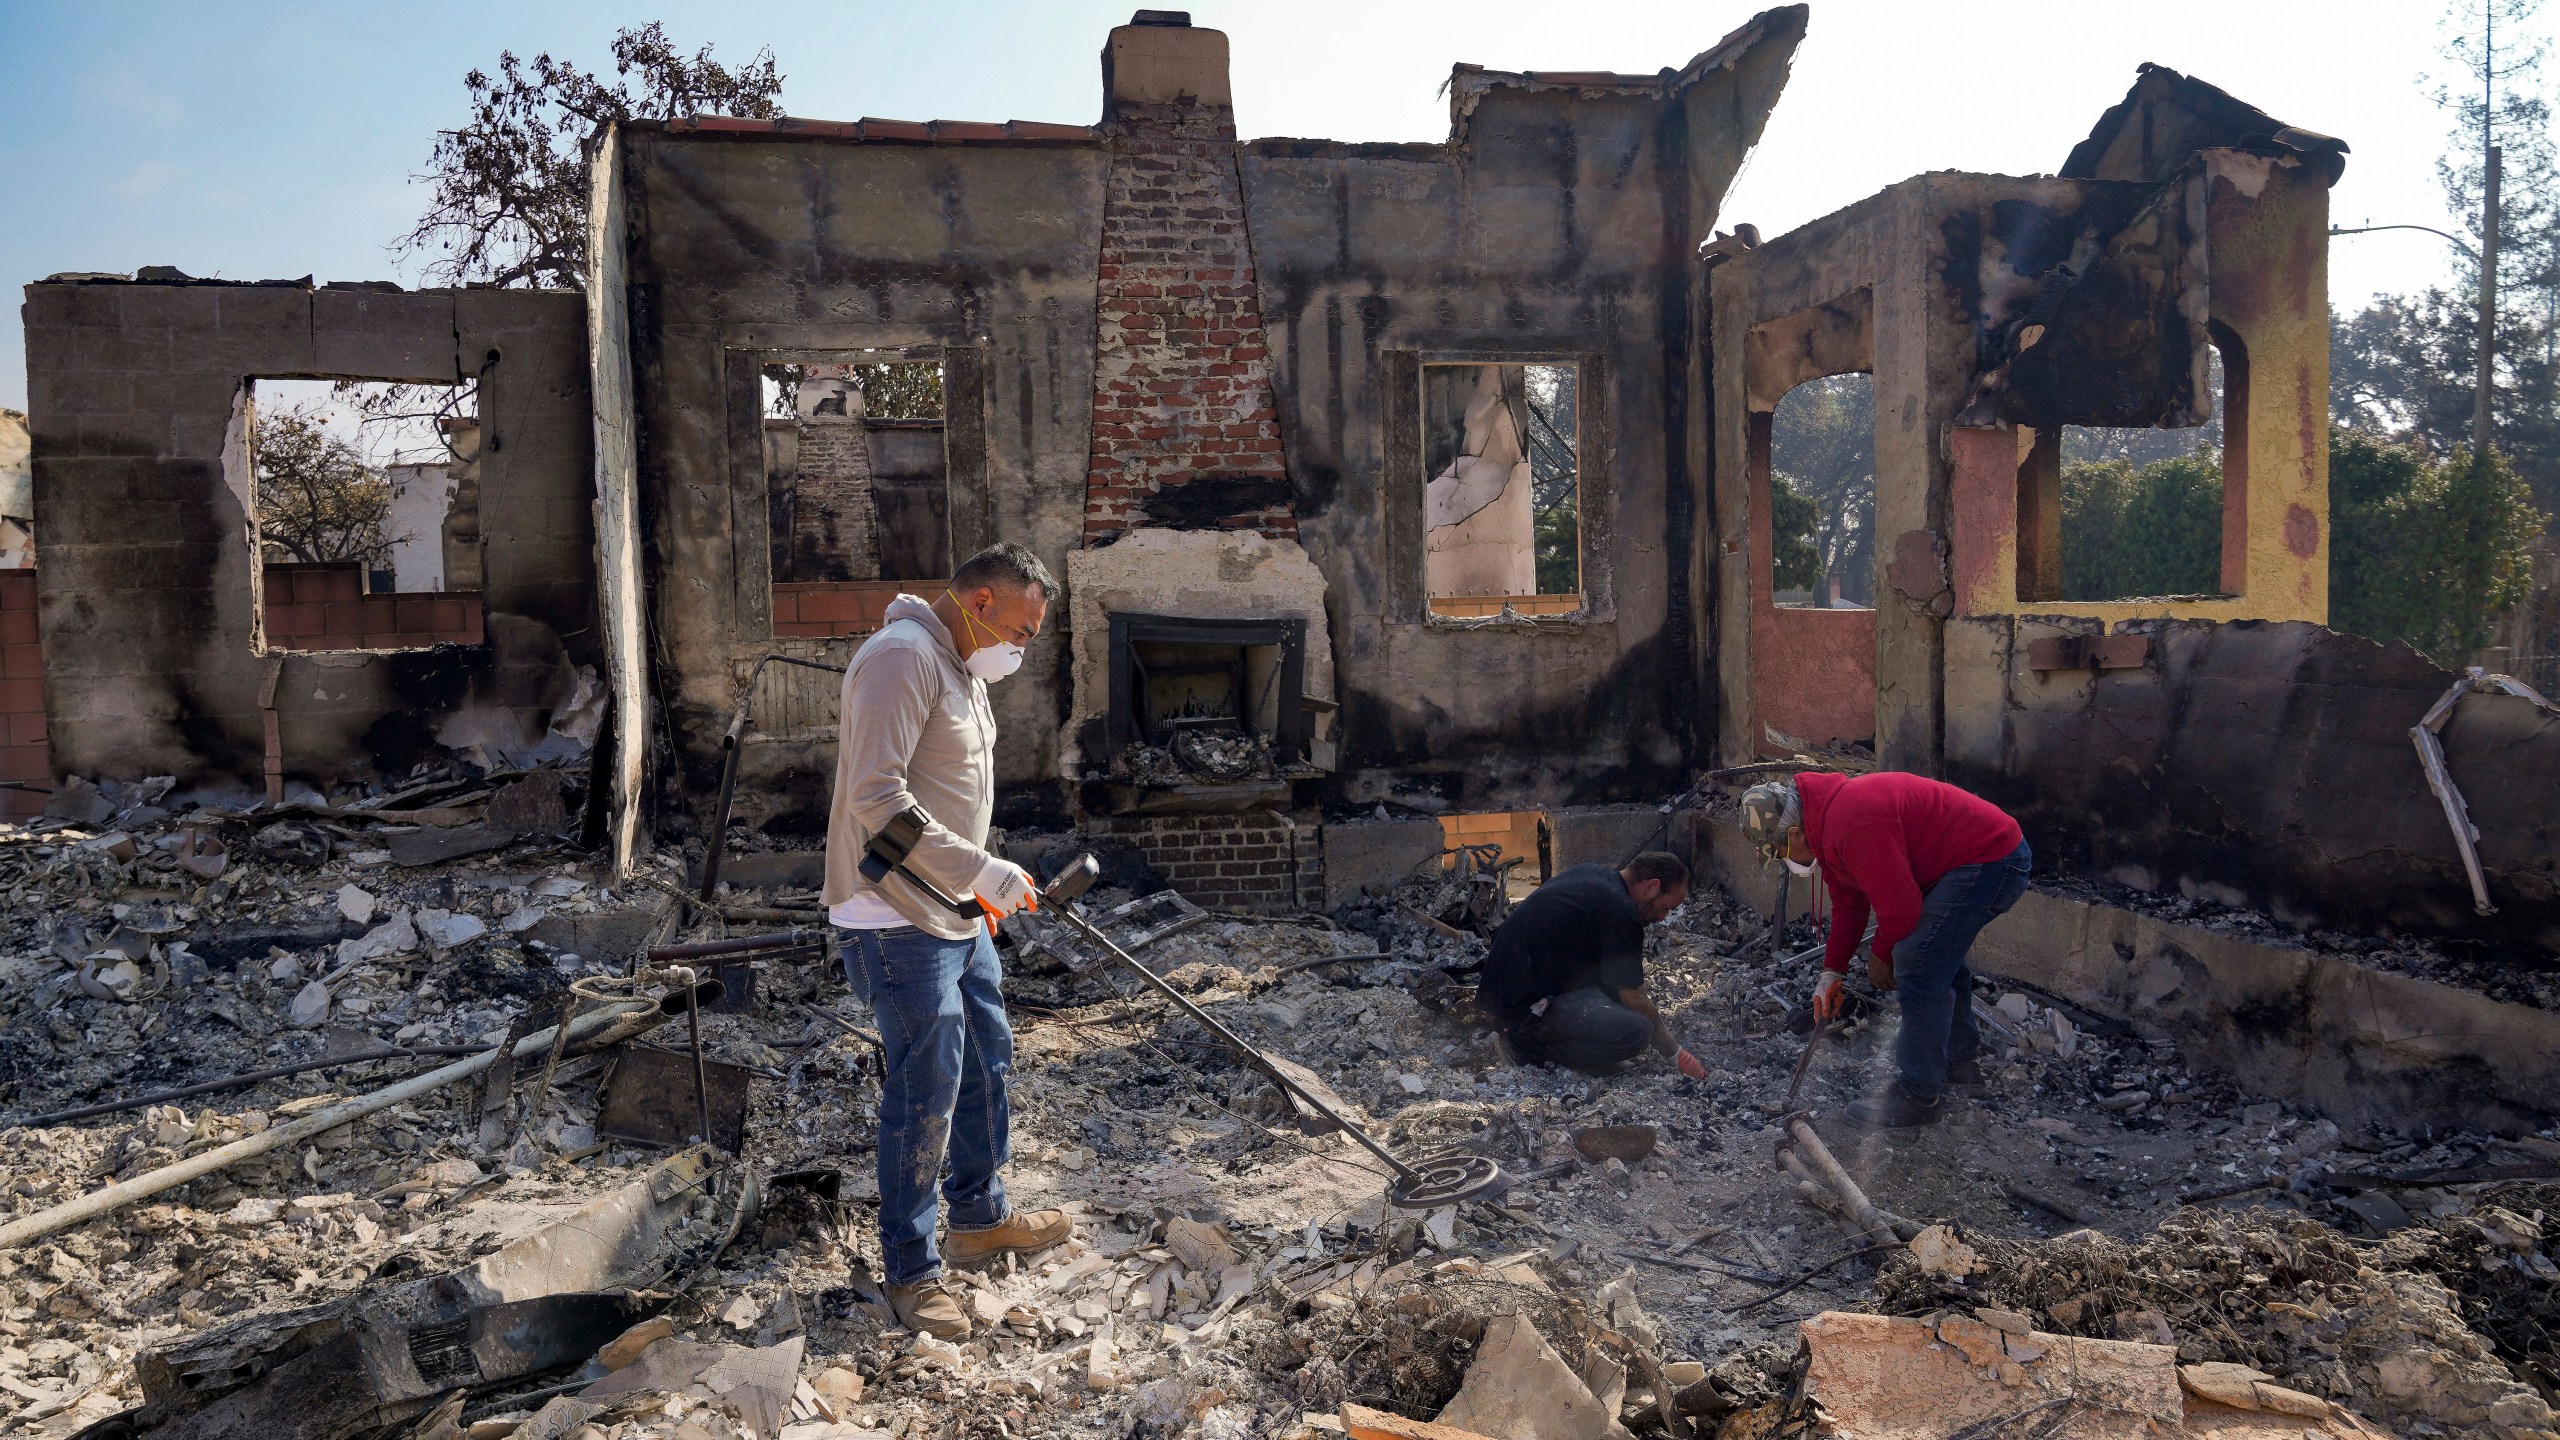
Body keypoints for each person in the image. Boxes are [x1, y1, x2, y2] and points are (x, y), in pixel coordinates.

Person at [824, 542, 1074, 1339]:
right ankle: (910, 1269)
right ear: (981, 602)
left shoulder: (958, 664)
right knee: (924, 1089)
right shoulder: (901, 658)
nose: (1022, 647)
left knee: (986, 1059)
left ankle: (976, 1219)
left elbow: (946, 789)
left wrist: (978, 883)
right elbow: (875, 796)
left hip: (950, 909)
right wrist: (978, 867)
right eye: (1023, 629)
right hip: (894, 917)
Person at [1740, 771, 2030, 1129]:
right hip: (1975, 859)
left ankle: (1918, 1094)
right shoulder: (1825, 823)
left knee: (1916, 957)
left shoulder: (1850, 823)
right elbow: (1849, 906)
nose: (1785, 860)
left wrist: (1881, 957)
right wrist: (1832, 973)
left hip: (1992, 860)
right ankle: (1959, 1065)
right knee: (1937, 952)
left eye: (1780, 851)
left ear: (1796, 833)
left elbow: (1901, 910)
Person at [1479, 852, 1710, 1078]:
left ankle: (1533, 1036)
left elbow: (1616, 981)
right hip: (1520, 1010)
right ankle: (1525, 1049)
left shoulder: (1593, 874)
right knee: (1638, 1033)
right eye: (1665, 908)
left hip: (1507, 993)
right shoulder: (1622, 911)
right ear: (1651, 887)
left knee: (1612, 994)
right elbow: (1634, 998)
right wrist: (1676, 1054)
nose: (1662, 917)